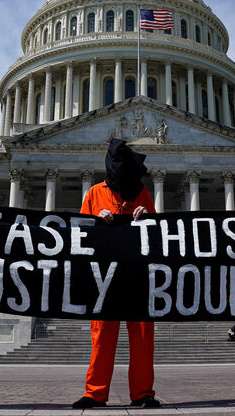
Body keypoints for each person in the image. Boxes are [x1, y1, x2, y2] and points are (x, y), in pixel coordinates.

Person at [72, 138, 160, 409]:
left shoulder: (141, 193)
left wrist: (148, 217)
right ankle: (95, 393)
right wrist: (98, 221)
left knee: (143, 336)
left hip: (137, 275)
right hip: (104, 277)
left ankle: (143, 392)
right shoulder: (94, 193)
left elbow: (158, 237)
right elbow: (80, 235)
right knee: (101, 336)